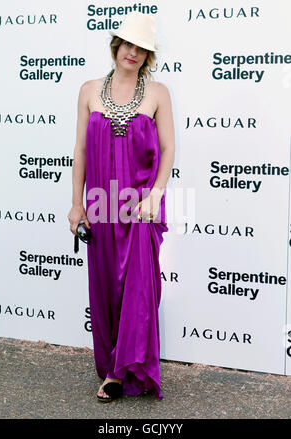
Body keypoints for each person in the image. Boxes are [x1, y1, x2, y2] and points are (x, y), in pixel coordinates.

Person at [68, 11, 175, 402]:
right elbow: (79, 151)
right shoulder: (89, 90)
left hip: (139, 206)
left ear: (148, 55)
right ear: (116, 46)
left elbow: (168, 150)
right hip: (99, 206)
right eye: (128, 45)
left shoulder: (159, 93)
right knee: (106, 290)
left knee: (139, 291)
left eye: (142, 49)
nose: (133, 53)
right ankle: (115, 363)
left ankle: (122, 373)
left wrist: (156, 194)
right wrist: (75, 205)